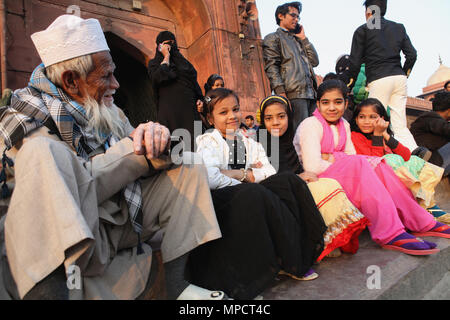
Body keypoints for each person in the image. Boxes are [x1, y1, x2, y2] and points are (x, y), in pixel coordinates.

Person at [0, 15, 225, 300]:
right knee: (43, 153)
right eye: (106, 75)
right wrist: (134, 151)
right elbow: (75, 186)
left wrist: (155, 138)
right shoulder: (27, 119)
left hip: (119, 219)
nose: (116, 84)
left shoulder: (111, 112)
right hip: (67, 232)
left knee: (188, 164)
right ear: (71, 81)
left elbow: (138, 148)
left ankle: (178, 286)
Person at [187, 88, 327, 299]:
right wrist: (249, 174)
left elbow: (269, 170)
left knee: (287, 180)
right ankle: (270, 266)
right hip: (221, 202)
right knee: (252, 192)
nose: (232, 116)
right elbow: (211, 178)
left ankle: (296, 256)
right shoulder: (207, 142)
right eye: (223, 112)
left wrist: (239, 173)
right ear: (209, 118)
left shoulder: (246, 141)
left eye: (235, 109)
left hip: (247, 191)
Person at [293, 80, 450, 256]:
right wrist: (342, 159)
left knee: (380, 164)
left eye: (338, 102)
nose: (332, 107)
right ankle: (390, 232)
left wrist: (333, 156)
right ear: (318, 104)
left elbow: (351, 157)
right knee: (362, 163)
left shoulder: (343, 125)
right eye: (325, 102)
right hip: (318, 179)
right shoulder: (310, 125)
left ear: (346, 103)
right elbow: (312, 166)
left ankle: (422, 222)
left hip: (339, 172)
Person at [257, 95, 369, 261]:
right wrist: (298, 178)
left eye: (281, 116)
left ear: (289, 116)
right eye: (269, 118)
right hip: (278, 190)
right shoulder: (260, 141)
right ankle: (322, 242)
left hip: (299, 182)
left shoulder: (293, 137)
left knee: (329, 184)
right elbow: (268, 175)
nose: (275, 122)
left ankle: (335, 239)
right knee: (322, 187)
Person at [350, 98, 449, 224]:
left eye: (372, 117)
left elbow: (407, 155)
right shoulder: (355, 137)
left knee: (416, 161)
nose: (366, 121)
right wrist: (377, 136)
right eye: (362, 117)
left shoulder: (383, 135)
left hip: (394, 178)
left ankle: (429, 206)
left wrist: (385, 135)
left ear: (382, 119)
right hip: (375, 179)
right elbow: (375, 163)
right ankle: (423, 209)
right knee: (391, 159)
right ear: (356, 119)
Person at [341, 0, 420, 152]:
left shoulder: (363, 30)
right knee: (399, 124)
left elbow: (355, 62)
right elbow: (412, 55)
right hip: (399, 77)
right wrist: (404, 72)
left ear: (368, 12)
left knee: (373, 121)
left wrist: (349, 85)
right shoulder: (398, 27)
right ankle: (414, 154)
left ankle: (378, 155)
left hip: (379, 78)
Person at [262, 1, 319, 130]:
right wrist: (280, 92)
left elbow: (314, 61)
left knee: (314, 132)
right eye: (293, 15)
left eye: (298, 17)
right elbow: (271, 66)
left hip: (311, 94)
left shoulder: (299, 40)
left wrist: (304, 38)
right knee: (300, 134)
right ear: (281, 16)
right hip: (293, 94)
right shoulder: (273, 38)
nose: (296, 19)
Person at [147, 31, 204, 151]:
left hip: (190, 112)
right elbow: (158, 77)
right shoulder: (154, 64)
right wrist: (166, 57)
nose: (169, 47)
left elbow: (195, 85)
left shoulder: (185, 64)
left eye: (172, 43)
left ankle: (197, 169)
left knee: (196, 148)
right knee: (172, 149)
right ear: (159, 46)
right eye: (166, 44)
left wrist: (200, 100)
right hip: (169, 113)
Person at [410, 92, 450, 176]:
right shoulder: (430, 119)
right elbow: (446, 129)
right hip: (430, 165)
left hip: (434, 161)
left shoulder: (428, 118)